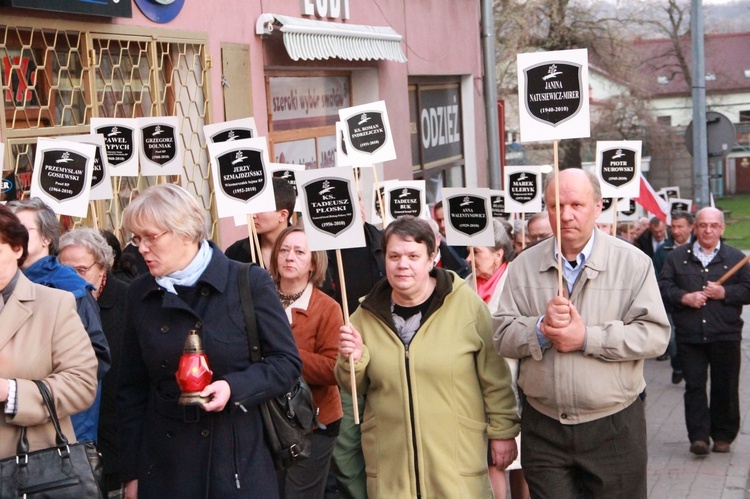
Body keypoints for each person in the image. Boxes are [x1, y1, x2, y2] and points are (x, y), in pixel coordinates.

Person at [117, 184, 302, 498]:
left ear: (186, 232)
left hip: (236, 461)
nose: (141, 249)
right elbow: (131, 391)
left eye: (151, 237)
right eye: (136, 239)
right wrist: (132, 476)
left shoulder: (247, 281)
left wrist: (233, 387)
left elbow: (286, 364)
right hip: (165, 466)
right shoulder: (139, 293)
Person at [494, 169, 670, 497]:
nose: (565, 215)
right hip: (544, 425)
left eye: (576, 204)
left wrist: (588, 338)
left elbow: (654, 336)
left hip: (614, 425)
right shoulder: (522, 266)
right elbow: (501, 335)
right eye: (555, 205)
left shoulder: (633, 263)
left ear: (598, 206)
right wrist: (540, 330)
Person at [336, 215, 519, 497]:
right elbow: (352, 386)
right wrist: (354, 360)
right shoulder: (365, 315)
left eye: (413, 255)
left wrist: (503, 431)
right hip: (392, 467)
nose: (402, 264)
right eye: (394, 255)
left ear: (432, 257)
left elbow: (494, 376)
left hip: (454, 462)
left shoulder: (464, 304)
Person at [0, 204, 98, 459]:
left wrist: (11, 392)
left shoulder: (54, 303)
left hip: (29, 469)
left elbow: (82, 384)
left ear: (17, 248)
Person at [658, 207, 750, 456]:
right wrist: (685, 297)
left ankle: (723, 436)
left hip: (726, 334)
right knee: (695, 386)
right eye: (703, 225)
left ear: (722, 228)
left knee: (725, 386)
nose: (708, 230)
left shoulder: (735, 258)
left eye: (714, 225)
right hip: (690, 336)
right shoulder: (677, 258)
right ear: (694, 228)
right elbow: (663, 288)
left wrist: (725, 293)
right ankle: (698, 437)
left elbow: (748, 289)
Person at [271, 226, 344, 498]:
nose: (290, 257)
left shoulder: (327, 308)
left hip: (315, 421)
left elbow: (332, 369)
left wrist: (285, 358)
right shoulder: (260, 298)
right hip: (269, 418)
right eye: (284, 250)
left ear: (314, 262)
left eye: (300, 251)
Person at [58, 228, 130, 495]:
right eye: (64, 269)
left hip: (117, 443)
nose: (71, 278)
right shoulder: (54, 303)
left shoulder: (128, 301)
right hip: (70, 448)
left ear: (104, 268)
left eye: (81, 269)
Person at [466, 220, 528, 499]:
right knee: (493, 462)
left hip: (519, 387)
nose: (468, 259)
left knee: (522, 465)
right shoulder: (462, 287)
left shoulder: (519, 282)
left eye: (476, 252)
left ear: (498, 254)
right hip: (477, 390)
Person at [653, 211, 694, 377]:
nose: (676, 231)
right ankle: (678, 365)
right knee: (673, 338)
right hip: (670, 303)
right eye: (673, 227)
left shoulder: (700, 247)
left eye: (680, 227)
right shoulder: (663, 250)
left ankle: (691, 368)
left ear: (691, 227)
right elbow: (655, 275)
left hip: (695, 302)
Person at [225, 177, 296, 268]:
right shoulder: (236, 252)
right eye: (252, 208)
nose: (253, 215)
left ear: (282, 215)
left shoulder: (305, 251)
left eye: (260, 210)